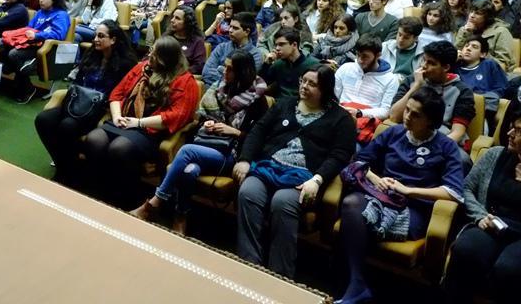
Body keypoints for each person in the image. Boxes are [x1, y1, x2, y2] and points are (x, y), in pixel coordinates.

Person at [337, 87, 464, 304]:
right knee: (351, 204)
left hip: (414, 208)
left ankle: (361, 285)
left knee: (358, 222)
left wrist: (408, 190)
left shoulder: (446, 147)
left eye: (416, 115)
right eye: (407, 110)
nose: (407, 117)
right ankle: (357, 283)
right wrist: (377, 179)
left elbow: (453, 192)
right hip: (381, 196)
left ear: (431, 121)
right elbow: (360, 161)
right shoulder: (394, 132)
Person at [235, 64, 356, 278]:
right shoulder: (285, 104)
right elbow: (258, 131)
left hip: (304, 178)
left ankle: (279, 275)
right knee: (248, 192)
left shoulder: (342, 119)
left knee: (282, 202)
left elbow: (339, 155)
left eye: (312, 84)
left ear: (326, 89)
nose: (304, 86)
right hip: (268, 167)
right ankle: (248, 265)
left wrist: (317, 180)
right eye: (303, 81)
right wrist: (245, 160)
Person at [130, 50, 268, 234]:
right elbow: (202, 119)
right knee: (189, 171)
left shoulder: (258, 100)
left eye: (230, 69)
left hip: (232, 154)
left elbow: (260, 137)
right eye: (224, 67)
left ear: (242, 72)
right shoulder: (220, 89)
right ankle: (181, 217)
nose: (224, 73)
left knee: (186, 151)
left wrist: (234, 131)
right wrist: (208, 123)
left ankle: (154, 203)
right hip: (207, 144)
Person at [83, 35, 198, 205]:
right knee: (94, 140)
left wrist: (138, 123)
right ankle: (99, 191)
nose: (150, 56)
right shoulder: (141, 68)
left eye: (155, 54)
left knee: (119, 148)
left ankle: (126, 198)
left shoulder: (186, 82)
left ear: (166, 60)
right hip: (122, 122)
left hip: (150, 132)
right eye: (151, 51)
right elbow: (117, 93)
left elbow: (175, 115)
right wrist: (117, 117)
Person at [35, 20, 137, 181]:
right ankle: (62, 161)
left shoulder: (126, 64)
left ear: (113, 40)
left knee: (67, 125)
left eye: (101, 36)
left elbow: (122, 94)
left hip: (99, 109)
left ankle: (68, 170)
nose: (96, 39)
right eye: (95, 35)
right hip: (77, 102)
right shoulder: (91, 55)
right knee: (43, 119)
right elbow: (77, 82)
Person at [442, 116, 521, 304]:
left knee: (508, 268)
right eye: (511, 127)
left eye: (517, 130)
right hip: (491, 223)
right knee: (466, 250)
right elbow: (466, 187)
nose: (509, 133)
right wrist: (479, 216)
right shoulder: (495, 155)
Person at [389, 41, 475, 172]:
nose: (424, 66)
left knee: (462, 161)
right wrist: (416, 86)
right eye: (424, 60)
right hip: (410, 132)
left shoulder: (462, 91)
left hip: (443, 139)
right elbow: (394, 117)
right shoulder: (412, 80)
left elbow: (458, 132)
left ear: (446, 67)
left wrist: (432, 146)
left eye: (431, 63)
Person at [2, 0, 70, 103]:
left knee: (14, 54)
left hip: (46, 48)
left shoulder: (61, 15)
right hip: (31, 44)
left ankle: (28, 88)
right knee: (2, 45)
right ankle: (18, 79)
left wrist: (37, 36)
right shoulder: (40, 13)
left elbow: (59, 35)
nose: (41, 0)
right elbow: (29, 28)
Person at [335, 34, 399, 144]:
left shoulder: (390, 79)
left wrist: (359, 113)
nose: (359, 60)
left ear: (378, 55)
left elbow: (385, 111)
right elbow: (334, 96)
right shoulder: (346, 68)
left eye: (365, 56)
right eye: (358, 55)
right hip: (339, 116)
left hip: (364, 123)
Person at [457, 35, 508, 122]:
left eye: (474, 47)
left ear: (482, 54)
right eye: (466, 45)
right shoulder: (454, 66)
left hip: (482, 110)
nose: (468, 49)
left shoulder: (489, 65)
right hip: (456, 107)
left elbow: (501, 88)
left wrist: (480, 100)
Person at [454, 0, 515, 71]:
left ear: (488, 17)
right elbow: (456, 51)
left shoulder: (501, 32)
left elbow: (502, 64)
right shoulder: (464, 29)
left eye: (477, 13)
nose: (471, 15)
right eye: (471, 11)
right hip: (465, 69)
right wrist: (466, 34)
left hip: (490, 72)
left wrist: (480, 53)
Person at [203, 12, 262, 86]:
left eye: (235, 28)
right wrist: (229, 78)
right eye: (230, 26)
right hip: (212, 89)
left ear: (247, 32)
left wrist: (220, 69)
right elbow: (206, 72)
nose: (230, 30)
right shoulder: (221, 47)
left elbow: (244, 82)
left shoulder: (255, 55)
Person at [260, 27, 320, 99]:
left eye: (281, 44)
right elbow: (260, 83)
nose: (277, 48)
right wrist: (266, 64)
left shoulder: (314, 65)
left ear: (294, 45)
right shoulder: (278, 64)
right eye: (276, 45)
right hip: (280, 105)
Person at [163, 5, 206, 74]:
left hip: (182, 76)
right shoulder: (167, 36)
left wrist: (179, 73)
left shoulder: (197, 41)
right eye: (173, 17)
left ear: (187, 23)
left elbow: (198, 66)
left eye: (177, 18)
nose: (172, 20)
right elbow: (154, 54)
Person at [381, 16, 425, 83]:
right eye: (399, 34)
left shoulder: (423, 54)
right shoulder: (385, 46)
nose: (401, 40)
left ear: (415, 38)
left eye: (406, 38)